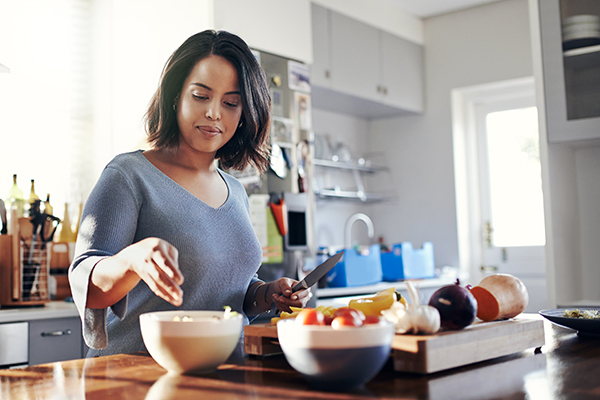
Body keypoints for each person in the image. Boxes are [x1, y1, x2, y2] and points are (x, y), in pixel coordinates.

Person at [69, 30, 311, 356]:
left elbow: (230, 289)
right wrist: (132, 261)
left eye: (230, 103)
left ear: (244, 114)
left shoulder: (235, 191)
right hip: (135, 379)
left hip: (220, 376)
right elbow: (86, 283)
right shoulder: (128, 176)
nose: (214, 113)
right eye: (201, 96)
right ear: (176, 96)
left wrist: (268, 293)